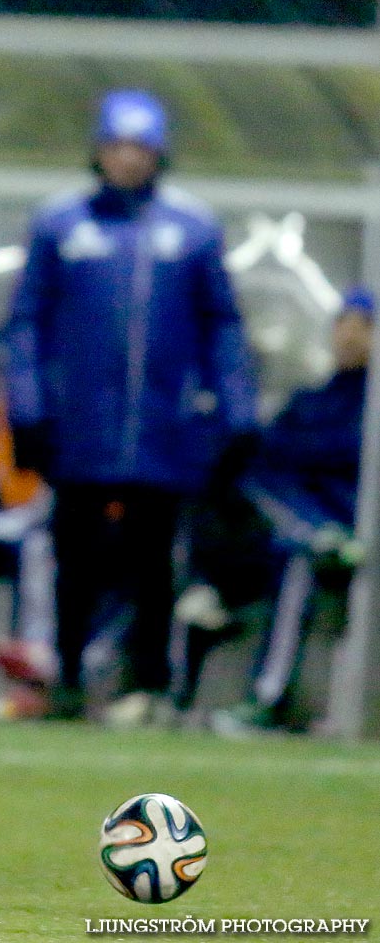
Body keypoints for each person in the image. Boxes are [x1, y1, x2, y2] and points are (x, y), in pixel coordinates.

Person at [5, 88, 258, 725]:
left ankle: (149, 687)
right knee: (74, 561)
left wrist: (237, 414)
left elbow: (223, 327)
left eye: (141, 148)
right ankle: (63, 678)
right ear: (98, 150)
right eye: (118, 146)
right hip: (79, 431)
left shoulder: (193, 230)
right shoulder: (60, 225)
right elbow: (26, 325)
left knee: (154, 566)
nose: (129, 160)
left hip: (162, 433)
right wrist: (28, 409)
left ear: (160, 154)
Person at [207, 286, 373, 733]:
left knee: (299, 555)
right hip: (300, 528)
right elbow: (265, 464)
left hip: (355, 527)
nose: (352, 337)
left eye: (365, 327)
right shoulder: (312, 400)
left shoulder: (369, 407)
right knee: (282, 532)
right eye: (345, 324)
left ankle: (270, 699)